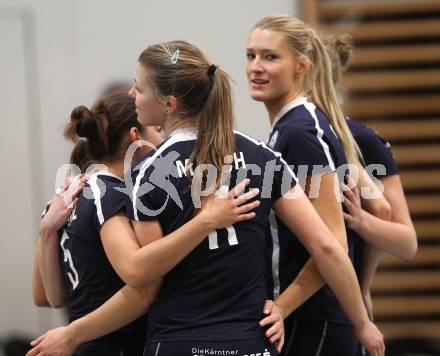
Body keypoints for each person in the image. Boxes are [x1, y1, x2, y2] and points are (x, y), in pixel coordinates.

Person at [28, 40, 384, 356]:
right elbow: (328, 247)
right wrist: (360, 323)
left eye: (139, 88)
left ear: (168, 103)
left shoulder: (147, 173)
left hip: (178, 341)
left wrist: (74, 334)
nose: (133, 95)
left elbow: (143, 280)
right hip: (250, 342)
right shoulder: (261, 156)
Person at [31, 92, 257, 355]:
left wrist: (47, 231)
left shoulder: (63, 199)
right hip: (115, 342)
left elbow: (49, 297)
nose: (163, 137)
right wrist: (206, 221)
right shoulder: (111, 194)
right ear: (135, 137)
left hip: (86, 342)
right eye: (156, 129)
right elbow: (142, 282)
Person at [246, 15, 388, 356]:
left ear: (301, 66)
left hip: (316, 318)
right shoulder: (290, 127)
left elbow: (331, 243)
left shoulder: (301, 132)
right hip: (308, 316)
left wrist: (283, 306)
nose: (255, 67)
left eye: (270, 57)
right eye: (250, 55)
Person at [324, 34, 417, 355]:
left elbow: (405, 241)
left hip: (337, 305)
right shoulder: (295, 131)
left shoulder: (361, 140)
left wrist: (362, 285)